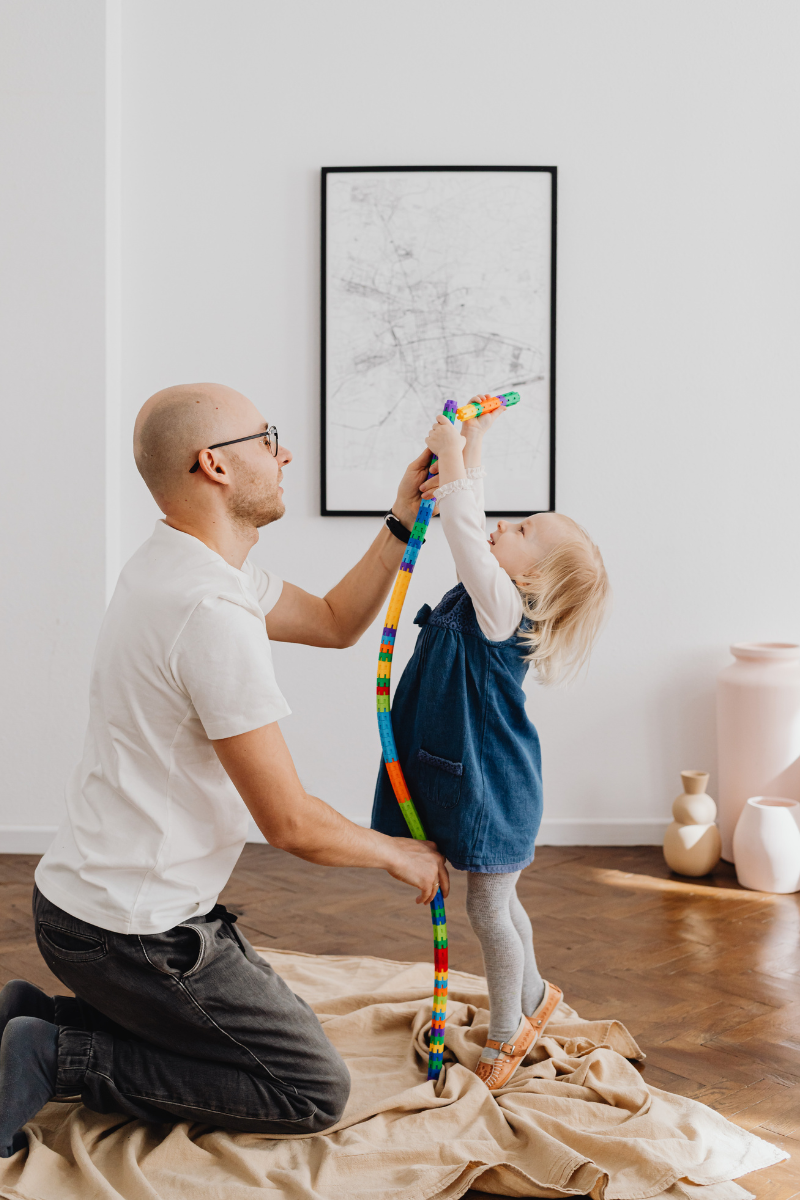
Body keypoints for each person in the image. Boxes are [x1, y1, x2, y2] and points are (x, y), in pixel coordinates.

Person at [0, 382, 450, 1158]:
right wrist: (397, 853)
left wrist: (402, 517)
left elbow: (341, 623)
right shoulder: (207, 611)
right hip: (132, 935)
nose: (282, 453)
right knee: (309, 1088)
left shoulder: (184, 563)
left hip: (81, 908)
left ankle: (35, 1014)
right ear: (214, 464)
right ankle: (53, 1053)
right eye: (266, 437)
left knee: (258, 1044)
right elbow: (290, 823)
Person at [371, 397, 609, 1091]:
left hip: (492, 787)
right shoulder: (497, 595)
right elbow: (474, 520)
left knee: (486, 909)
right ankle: (535, 996)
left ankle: (509, 1031)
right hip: (475, 776)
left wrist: (451, 456)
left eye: (526, 529)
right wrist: (472, 442)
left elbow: (467, 533)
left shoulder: (502, 607)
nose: (509, 525)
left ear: (530, 577)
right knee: (501, 903)